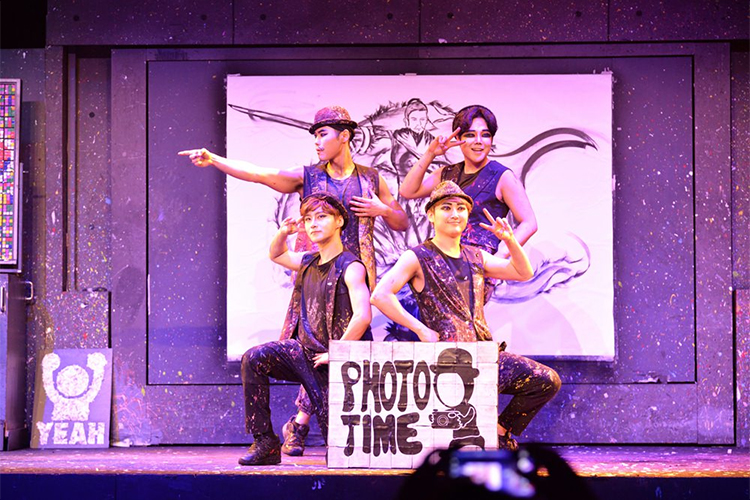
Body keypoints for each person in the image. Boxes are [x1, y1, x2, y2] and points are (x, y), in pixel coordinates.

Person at [180, 105, 406, 456]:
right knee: (309, 346)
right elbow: (260, 174)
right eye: (314, 135)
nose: (316, 142)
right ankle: (298, 425)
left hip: (355, 274)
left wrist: (384, 210)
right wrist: (215, 159)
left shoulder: (371, 178)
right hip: (315, 273)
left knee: (347, 350)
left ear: (345, 136)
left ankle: (311, 426)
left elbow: (401, 222)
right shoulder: (309, 176)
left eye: (322, 134)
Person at [371, 181, 560, 450]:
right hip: (447, 360)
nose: (455, 214)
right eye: (446, 208)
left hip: (482, 354)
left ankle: (498, 431)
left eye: (461, 208)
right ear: (431, 215)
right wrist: (421, 330)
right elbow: (380, 295)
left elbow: (523, 272)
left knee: (545, 381)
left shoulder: (475, 256)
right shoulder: (418, 256)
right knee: (457, 438)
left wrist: (510, 241)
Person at [238, 193, 372, 466]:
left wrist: (337, 353)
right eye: (308, 219)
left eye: (321, 217)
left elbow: (363, 316)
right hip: (303, 353)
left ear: (339, 221)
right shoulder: (309, 261)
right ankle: (266, 443)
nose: (313, 224)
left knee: (341, 449)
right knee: (253, 358)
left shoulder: (351, 266)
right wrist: (283, 233)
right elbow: (277, 254)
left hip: (333, 360)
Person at [399, 105, 537, 262]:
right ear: (458, 139)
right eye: (470, 135)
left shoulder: (502, 176)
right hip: (444, 261)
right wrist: (430, 154)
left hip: (479, 265)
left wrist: (499, 257)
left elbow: (529, 223)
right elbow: (407, 191)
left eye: (485, 135)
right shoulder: (448, 173)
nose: (478, 141)